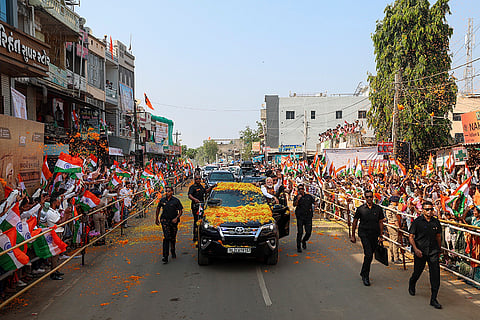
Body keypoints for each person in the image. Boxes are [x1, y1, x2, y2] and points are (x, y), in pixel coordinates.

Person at [408, 200, 442, 309]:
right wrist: (415, 249)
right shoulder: (417, 222)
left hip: (433, 252)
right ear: (423, 210)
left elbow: (438, 237)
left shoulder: (436, 222)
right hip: (420, 252)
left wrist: (439, 250)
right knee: (417, 272)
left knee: (435, 275)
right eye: (427, 209)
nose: (429, 211)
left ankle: (434, 299)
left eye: (431, 209)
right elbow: (411, 237)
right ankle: (412, 283)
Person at [350, 190, 385, 286]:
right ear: (365, 198)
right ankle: (366, 276)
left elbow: (381, 222)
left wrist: (381, 235)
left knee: (369, 255)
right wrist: (353, 235)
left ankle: (363, 272)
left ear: (373, 197)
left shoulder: (378, 209)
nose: (369, 198)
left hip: (374, 234)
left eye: (371, 197)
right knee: (368, 254)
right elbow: (355, 222)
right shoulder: (361, 209)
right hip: (364, 234)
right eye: (367, 197)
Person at [155, 186, 183, 264]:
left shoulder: (176, 201)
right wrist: (156, 218)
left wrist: (177, 218)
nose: (167, 193)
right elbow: (158, 208)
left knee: (173, 237)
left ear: (172, 192)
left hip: (173, 221)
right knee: (166, 237)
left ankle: (173, 250)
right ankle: (165, 256)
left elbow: (180, 211)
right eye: (166, 191)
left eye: (169, 191)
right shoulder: (162, 200)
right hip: (164, 220)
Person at [188, 175, 214, 242]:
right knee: (196, 220)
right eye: (197, 179)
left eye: (199, 179)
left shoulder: (201, 186)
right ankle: (195, 236)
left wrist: (211, 187)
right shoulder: (192, 187)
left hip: (201, 206)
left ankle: (201, 234)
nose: (198, 180)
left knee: (202, 221)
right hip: (195, 206)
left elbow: (206, 191)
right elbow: (189, 195)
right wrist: (195, 199)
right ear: (194, 179)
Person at [293, 184, 315, 253]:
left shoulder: (308, 196)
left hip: (308, 216)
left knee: (308, 232)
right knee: (300, 232)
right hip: (300, 216)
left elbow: (314, 202)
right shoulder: (296, 197)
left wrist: (316, 206)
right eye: (299, 189)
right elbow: (294, 204)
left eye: (302, 189)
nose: (301, 190)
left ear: (304, 189)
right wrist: (298, 199)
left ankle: (304, 240)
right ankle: (298, 246)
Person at [386, 193, 402, 264]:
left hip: (389, 224)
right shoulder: (393, 208)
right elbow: (395, 219)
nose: (397, 203)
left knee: (391, 241)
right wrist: (398, 227)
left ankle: (392, 256)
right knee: (395, 242)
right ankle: (396, 258)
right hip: (393, 225)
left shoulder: (388, 207)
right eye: (397, 202)